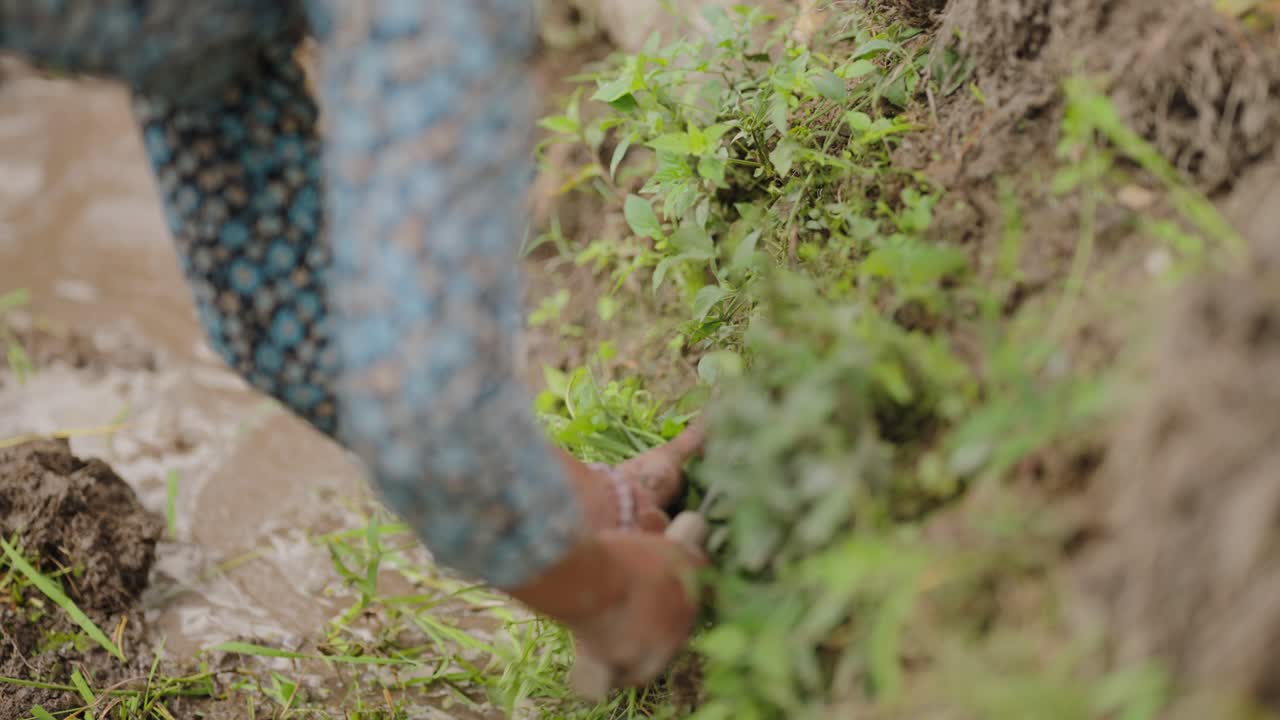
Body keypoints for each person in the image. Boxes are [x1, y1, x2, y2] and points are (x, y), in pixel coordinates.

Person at [1, 0, 708, 691]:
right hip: (188, 42)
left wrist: (599, 596)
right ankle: (586, 504)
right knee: (275, 328)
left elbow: (421, 406)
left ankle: (620, 597)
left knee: (416, 395)